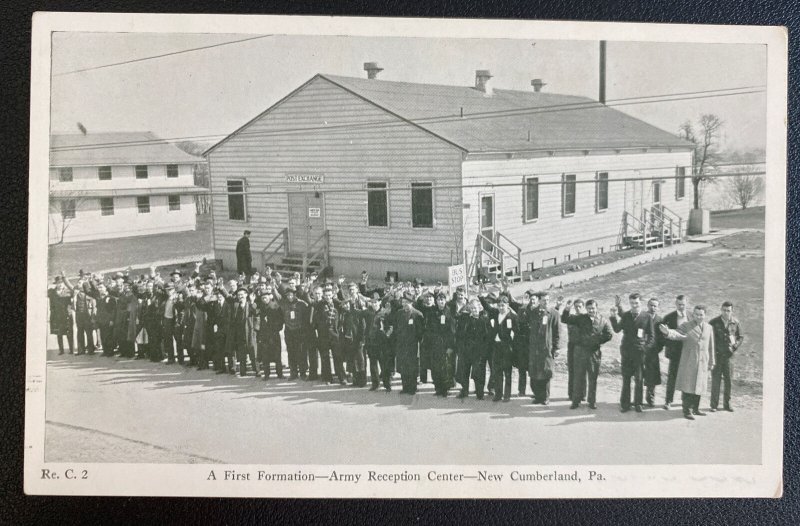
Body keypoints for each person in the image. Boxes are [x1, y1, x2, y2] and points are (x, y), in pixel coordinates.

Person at [659, 305, 715, 420]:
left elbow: (711, 346)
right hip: (689, 360)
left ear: (705, 315)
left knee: (699, 385)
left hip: (703, 361)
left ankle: (695, 408)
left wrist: (712, 361)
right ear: (693, 315)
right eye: (696, 314)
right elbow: (677, 334)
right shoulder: (686, 326)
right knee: (688, 385)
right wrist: (668, 332)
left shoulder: (709, 327)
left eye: (701, 315)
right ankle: (687, 410)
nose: (699, 317)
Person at [561, 299, 613, 409]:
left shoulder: (602, 320)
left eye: (593, 308)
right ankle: (575, 401)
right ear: (586, 309)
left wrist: (598, 340)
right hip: (580, 352)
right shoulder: (581, 318)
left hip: (594, 353)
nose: (591, 310)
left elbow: (609, 334)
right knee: (578, 377)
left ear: (597, 308)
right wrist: (567, 309)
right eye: (589, 309)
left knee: (593, 378)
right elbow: (565, 319)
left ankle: (592, 401)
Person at [610, 293, 655, 413]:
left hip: (639, 353)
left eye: (636, 303)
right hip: (626, 352)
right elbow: (617, 329)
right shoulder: (626, 316)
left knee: (639, 379)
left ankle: (638, 403)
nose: (634, 305)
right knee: (626, 378)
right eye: (632, 303)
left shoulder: (647, 316)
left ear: (641, 303)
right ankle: (625, 404)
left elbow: (651, 336)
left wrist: (645, 348)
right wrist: (613, 317)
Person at [525, 292, 560, 405]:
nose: (546, 302)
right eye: (544, 300)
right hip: (534, 348)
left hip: (546, 348)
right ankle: (538, 396)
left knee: (545, 372)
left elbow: (557, 332)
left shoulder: (553, 313)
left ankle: (545, 397)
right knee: (534, 372)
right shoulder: (533, 312)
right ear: (539, 301)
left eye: (548, 300)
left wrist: (556, 347)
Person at [709, 301, 744, 412]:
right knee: (716, 381)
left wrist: (734, 347)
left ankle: (727, 404)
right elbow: (710, 339)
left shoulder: (735, 323)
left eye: (728, 310)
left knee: (728, 381)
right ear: (721, 310)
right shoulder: (714, 322)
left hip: (729, 357)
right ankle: (713, 405)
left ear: (732, 311)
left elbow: (740, 337)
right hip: (717, 356)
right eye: (724, 310)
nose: (726, 312)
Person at [456, 299, 492, 400]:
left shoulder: (484, 319)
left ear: (479, 308)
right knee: (464, 372)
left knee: (479, 373)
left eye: (475, 308)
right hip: (466, 351)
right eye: (471, 308)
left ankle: (480, 393)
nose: (473, 310)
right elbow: (459, 333)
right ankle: (465, 390)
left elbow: (487, 337)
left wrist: (484, 351)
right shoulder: (465, 319)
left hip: (479, 352)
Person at [423, 291, 456, 397]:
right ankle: (438, 388)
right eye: (438, 300)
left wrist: (451, 346)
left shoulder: (449, 312)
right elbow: (428, 329)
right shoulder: (432, 312)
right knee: (435, 368)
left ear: (445, 301)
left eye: (442, 300)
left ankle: (445, 389)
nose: (440, 302)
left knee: (445, 368)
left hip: (445, 345)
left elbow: (452, 332)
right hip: (434, 345)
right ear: (436, 301)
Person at [661, 295, 690, 410]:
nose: (681, 307)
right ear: (675, 304)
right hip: (675, 353)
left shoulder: (692, 316)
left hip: (688, 352)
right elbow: (663, 334)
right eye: (679, 304)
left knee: (686, 377)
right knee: (672, 377)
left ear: (686, 303)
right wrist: (669, 346)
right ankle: (668, 401)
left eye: (683, 304)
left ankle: (684, 400)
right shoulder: (669, 317)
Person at [392, 292, 424, 394]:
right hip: (401, 345)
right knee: (403, 367)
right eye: (403, 302)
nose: (404, 304)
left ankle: (413, 387)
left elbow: (420, 332)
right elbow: (396, 328)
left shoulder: (417, 314)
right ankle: (405, 387)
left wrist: (417, 343)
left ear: (412, 303)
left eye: (407, 302)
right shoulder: (399, 313)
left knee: (412, 367)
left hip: (412, 346)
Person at [488, 296, 517, 402]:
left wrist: (512, 345)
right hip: (496, 346)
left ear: (508, 305)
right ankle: (498, 394)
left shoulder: (512, 317)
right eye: (499, 305)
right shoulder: (496, 314)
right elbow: (486, 306)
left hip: (507, 347)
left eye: (503, 305)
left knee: (507, 372)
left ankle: (507, 395)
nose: (501, 307)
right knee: (497, 371)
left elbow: (517, 332)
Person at [226, 288, 261, 377]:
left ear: (246, 295)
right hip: (240, 333)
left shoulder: (251, 304)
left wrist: (253, 302)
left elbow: (256, 313)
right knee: (242, 354)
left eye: (242, 294)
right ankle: (243, 371)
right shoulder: (236, 305)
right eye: (238, 295)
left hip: (250, 333)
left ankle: (257, 370)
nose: (240, 296)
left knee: (253, 352)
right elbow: (227, 297)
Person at [363, 294, 392, 391]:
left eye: (376, 302)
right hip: (371, 342)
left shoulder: (385, 313)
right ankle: (375, 384)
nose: (374, 304)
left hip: (382, 343)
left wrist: (386, 335)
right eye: (372, 303)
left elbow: (390, 327)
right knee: (373, 364)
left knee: (384, 364)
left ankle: (387, 384)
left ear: (380, 302)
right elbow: (365, 327)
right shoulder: (367, 313)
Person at [257, 285, 284, 380]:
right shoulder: (261, 308)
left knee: (277, 355)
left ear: (269, 296)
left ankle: (280, 374)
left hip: (274, 334)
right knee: (265, 356)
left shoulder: (275, 306)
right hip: (264, 335)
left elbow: (281, 320)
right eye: (262, 298)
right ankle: (267, 374)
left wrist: (277, 328)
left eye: (265, 297)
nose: (264, 299)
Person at [282, 288, 309, 380]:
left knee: (301, 352)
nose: (290, 297)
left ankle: (303, 372)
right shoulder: (284, 304)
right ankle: (293, 372)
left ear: (295, 295)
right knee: (291, 352)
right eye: (288, 295)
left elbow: (306, 317)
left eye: (291, 295)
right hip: (289, 331)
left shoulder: (301, 304)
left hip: (299, 331)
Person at [643, 298, 663, 407]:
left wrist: (656, 349)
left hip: (653, 353)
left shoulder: (660, 320)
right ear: (647, 305)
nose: (653, 308)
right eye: (651, 305)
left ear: (658, 307)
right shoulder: (642, 317)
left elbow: (661, 339)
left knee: (652, 376)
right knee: (640, 375)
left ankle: (650, 398)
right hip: (642, 351)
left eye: (655, 306)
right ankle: (637, 399)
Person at [565, 298, 585, 403]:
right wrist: (567, 309)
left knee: (582, 370)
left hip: (583, 346)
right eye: (576, 306)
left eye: (580, 306)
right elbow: (563, 318)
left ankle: (582, 394)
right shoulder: (571, 318)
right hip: (572, 345)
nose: (577, 308)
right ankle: (571, 393)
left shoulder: (586, 318)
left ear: (583, 307)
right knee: (572, 369)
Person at [48, 275, 75, 355]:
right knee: (59, 333)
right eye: (58, 283)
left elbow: (73, 290)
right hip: (57, 316)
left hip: (67, 315)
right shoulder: (52, 292)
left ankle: (71, 349)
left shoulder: (68, 291)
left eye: (61, 283)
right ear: (55, 284)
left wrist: (65, 279)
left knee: (69, 333)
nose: (60, 284)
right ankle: (61, 350)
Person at [94, 282, 117, 357]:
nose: (100, 289)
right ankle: (105, 350)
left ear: (105, 288)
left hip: (108, 320)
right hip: (101, 320)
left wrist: (112, 320)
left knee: (109, 336)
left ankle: (110, 351)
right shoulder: (99, 298)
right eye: (99, 288)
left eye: (101, 287)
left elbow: (113, 310)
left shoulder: (111, 298)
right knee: (103, 335)